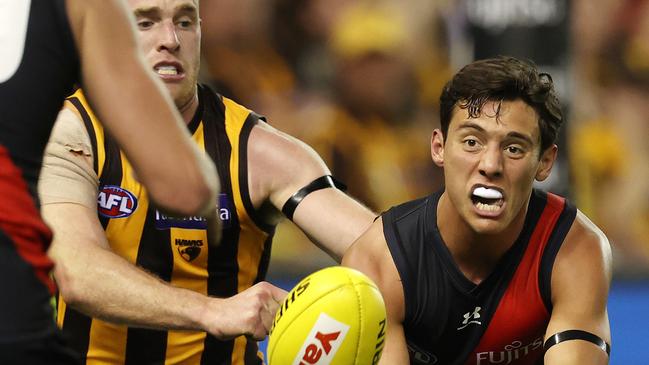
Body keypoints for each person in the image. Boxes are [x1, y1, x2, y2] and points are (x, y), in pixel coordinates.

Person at [38, 0, 375, 363]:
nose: (170, 38)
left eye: (184, 22)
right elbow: (78, 273)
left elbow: (382, 253)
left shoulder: (258, 151)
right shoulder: (70, 135)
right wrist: (212, 312)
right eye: (146, 23)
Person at [343, 56, 612, 364]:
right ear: (439, 148)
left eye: (514, 148)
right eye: (472, 142)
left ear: (545, 162)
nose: (490, 165)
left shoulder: (574, 248)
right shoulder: (379, 258)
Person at [0, 0, 224, 363]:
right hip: (11, 316)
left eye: (184, 22)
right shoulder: (83, 5)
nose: (169, 39)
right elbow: (183, 188)